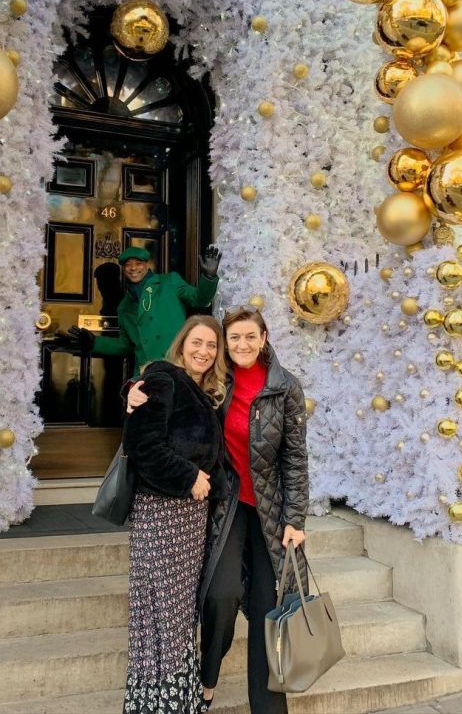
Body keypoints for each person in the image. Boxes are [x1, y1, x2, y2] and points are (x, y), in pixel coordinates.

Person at [128, 306, 309, 714]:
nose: (242, 345)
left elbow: (295, 458)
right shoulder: (216, 383)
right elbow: (168, 384)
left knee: (268, 606)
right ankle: (206, 682)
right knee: (220, 596)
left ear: (264, 339)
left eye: (250, 337)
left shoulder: (285, 387)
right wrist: (131, 389)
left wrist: (295, 518)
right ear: (226, 345)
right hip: (225, 507)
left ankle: (269, 708)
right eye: (234, 338)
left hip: (270, 511)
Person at [121, 315, 229, 714]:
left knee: (179, 612)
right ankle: (156, 703)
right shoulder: (164, 379)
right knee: (160, 611)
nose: (203, 351)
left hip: (190, 517)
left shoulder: (204, 391)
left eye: (211, 346)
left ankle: (180, 701)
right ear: (181, 345)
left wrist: (208, 485)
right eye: (196, 343)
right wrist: (188, 478)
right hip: (162, 511)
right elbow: (141, 445)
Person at [69, 245, 222, 370]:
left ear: (147, 265)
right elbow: (126, 346)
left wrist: (209, 277)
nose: (133, 268)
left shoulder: (169, 282)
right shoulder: (124, 306)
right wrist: (94, 343)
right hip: (145, 373)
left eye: (138, 263)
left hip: (176, 367)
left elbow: (199, 299)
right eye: (128, 265)